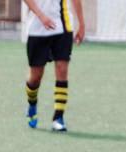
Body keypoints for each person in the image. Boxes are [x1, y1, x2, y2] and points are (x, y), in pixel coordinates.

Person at [23, 0, 85, 132]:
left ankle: (58, 118)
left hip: (63, 27)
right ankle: (32, 104)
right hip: (38, 28)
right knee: (35, 77)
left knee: (62, 70)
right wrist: (42, 16)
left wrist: (82, 24)